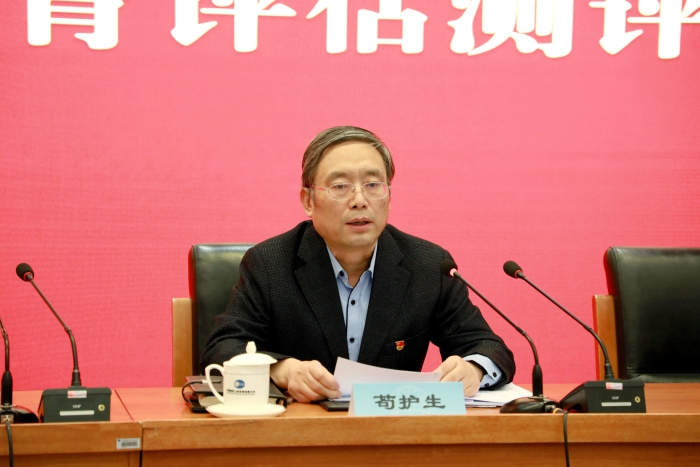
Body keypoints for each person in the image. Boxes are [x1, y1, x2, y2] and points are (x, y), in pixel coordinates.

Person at [201, 126, 515, 403]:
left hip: (394, 434)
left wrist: (473, 368)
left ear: (389, 196)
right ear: (308, 201)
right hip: (302, 434)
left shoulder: (429, 265)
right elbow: (223, 349)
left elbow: (488, 347)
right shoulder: (270, 264)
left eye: (373, 184)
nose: (359, 200)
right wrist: (282, 370)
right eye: (340, 186)